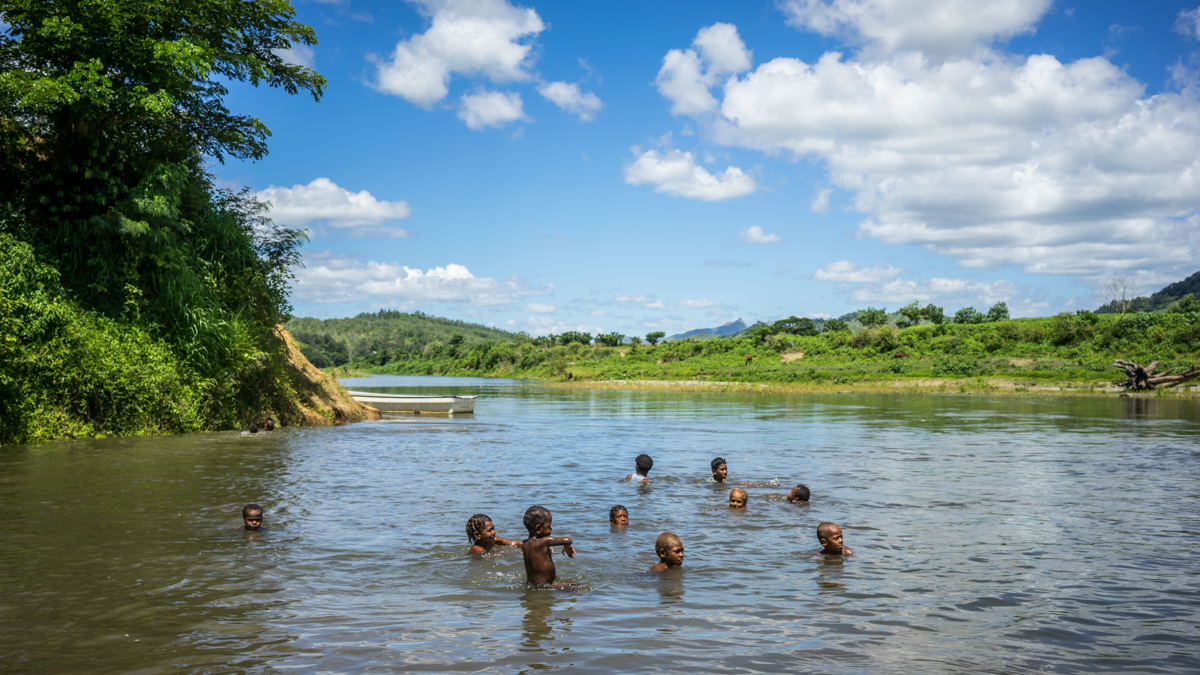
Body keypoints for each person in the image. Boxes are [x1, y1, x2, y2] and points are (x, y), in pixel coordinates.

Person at [521, 506, 576, 586]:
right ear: (538, 529)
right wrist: (567, 545)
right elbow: (568, 540)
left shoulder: (524, 543)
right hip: (544, 586)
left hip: (531, 584)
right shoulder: (545, 541)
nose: (551, 529)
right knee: (577, 586)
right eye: (548, 526)